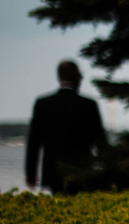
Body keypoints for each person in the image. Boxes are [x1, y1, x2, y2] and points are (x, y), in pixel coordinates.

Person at [25, 60, 107, 194]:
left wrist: (31, 173)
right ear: (78, 78)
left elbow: (34, 142)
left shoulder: (43, 104)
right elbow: (100, 141)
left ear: (59, 77)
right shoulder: (88, 105)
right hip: (82, 170)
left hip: (52, 170)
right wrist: (108, 170)